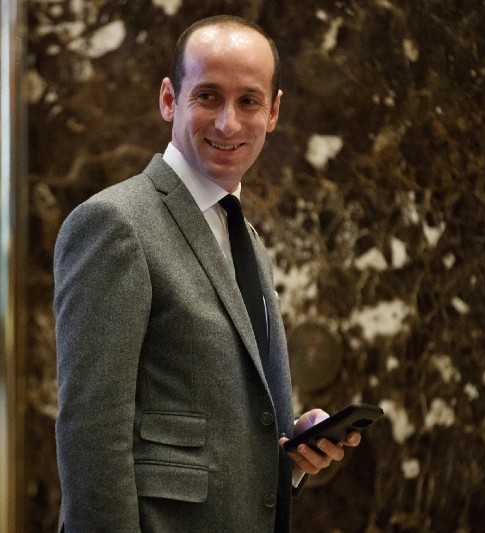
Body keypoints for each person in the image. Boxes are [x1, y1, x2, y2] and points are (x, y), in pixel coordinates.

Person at [54, 15, 361, 532]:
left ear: (273, 112)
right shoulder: (115, 223)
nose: (228, 124)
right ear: (169, 99)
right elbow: (91, 434)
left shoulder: (242, 234)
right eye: (208, 97)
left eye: (248, 101)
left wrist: (289, 447)